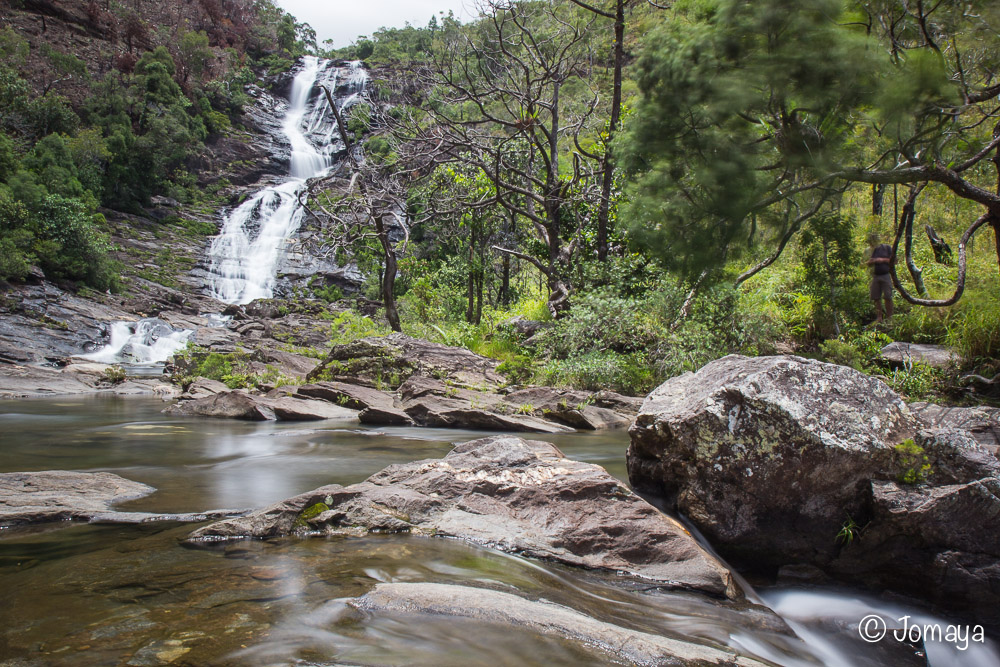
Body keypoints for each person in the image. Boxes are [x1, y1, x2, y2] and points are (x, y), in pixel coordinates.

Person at [866, 236, 894, 323]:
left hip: (886, 275)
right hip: (876, 276)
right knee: (876, 297)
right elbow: (867, 263)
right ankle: (879, 318)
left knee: (888, 297)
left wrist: (881, 260)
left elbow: (894, 260)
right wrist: (871, 261)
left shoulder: (887, 248)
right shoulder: (873, 250)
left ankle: (890, 318)